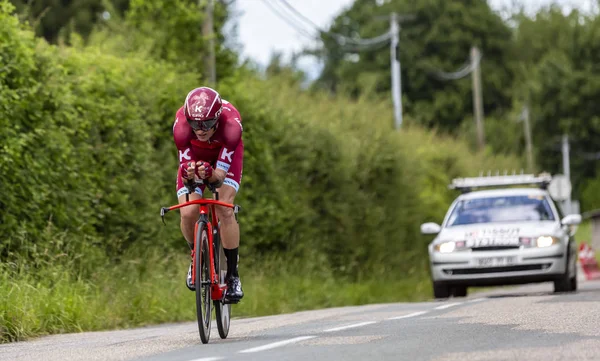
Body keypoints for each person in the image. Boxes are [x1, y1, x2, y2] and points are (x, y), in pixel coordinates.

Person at [172, 86, 244, 303]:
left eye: (207, 124)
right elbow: (187, 177)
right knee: (188, 212)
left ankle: (232, 276)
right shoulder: (182, 128)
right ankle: (196, 256)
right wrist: (189, 173)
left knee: (224, 207)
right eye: (195, 124)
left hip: (224, 159)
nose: (201, 130)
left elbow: (219, 177)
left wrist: (211, 174)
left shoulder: (231, 127)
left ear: (218, 118)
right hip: (195, 156)